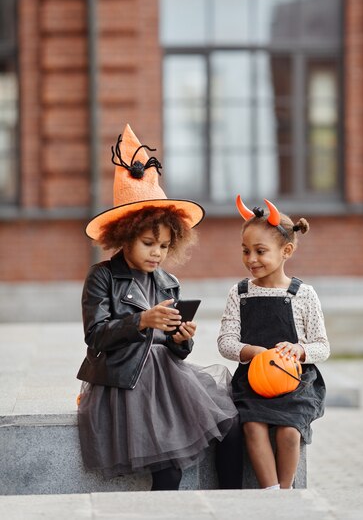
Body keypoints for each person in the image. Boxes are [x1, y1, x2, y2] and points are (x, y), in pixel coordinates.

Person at [77, 124, 242, 491]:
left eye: (165, 246)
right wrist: (141, 321)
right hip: (125, 379)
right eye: (149, 243)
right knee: (168, 469)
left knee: (231, 426)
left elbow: (178, 353)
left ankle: (236, 507)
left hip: (169, 375)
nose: (157, 253)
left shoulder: (167, 282)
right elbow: (95, 337)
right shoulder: (102, 276)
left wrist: (181, 339)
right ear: (124, 236)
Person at [218, 195, 330, 490]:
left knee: (288, 432)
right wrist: (250, 351)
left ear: (286, 251)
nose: (251, 259)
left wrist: (300, 350)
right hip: (253, 382)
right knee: (253, 427)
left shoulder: (303, 294)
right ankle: (270, 496)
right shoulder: (239, 292)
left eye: (260, 251)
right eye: (245, 251)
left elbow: (322, 345)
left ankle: (286, 490)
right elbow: (225, 341)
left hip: (296, 382)